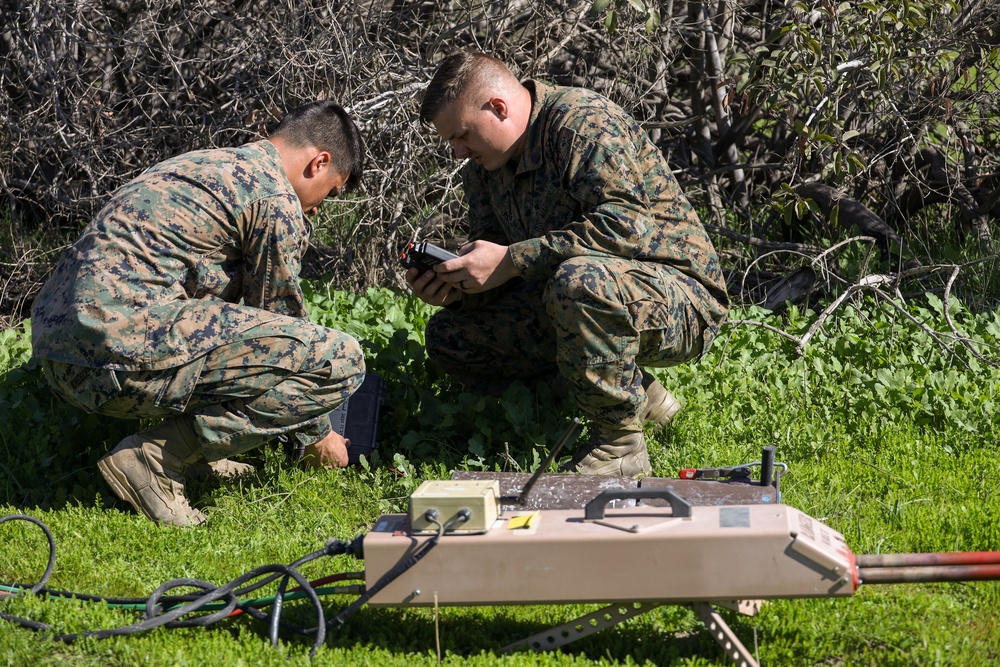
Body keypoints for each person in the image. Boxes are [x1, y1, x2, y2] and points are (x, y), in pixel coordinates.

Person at [30, 101, 367, 526]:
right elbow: (283, 320)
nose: (317, 209)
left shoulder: (204, 162)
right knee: (338, 359)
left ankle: (198, 453)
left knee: (221, 324)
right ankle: (154, 459)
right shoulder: (273, 195)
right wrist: (320, 436)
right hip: (116, 347)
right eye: (330, 193)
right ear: (319, 162)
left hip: (58, 352)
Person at [406, 51, 729, 478]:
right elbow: (505, 269)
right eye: (452, 141)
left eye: (462, 135)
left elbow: (627, 228)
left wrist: (510, 259)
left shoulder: (580, 122)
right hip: (578, 295)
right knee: (454, 337)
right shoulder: (485, 166)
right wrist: (461, 288)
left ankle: (620, 446)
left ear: (498, 108)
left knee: (577, 281)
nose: (458, 152)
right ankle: (635, 391)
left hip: (678, 298)